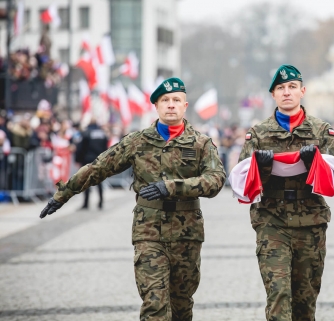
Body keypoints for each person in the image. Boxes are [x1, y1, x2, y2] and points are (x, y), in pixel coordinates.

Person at [39, 77, 226, 321]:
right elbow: (99, 167)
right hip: (149, 231)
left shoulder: (201, 143)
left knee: (181, 305)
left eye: (176, 100)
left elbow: (216, 180)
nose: (171, 105)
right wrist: (63, 194)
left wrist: (171, 187)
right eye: (165, 100)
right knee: (154, 303)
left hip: (187, 233)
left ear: (185, 106)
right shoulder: (138, 142)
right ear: (156, 106)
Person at [237, 65, 334, 320]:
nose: (287, 92)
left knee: (305, 303)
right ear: (273, 94)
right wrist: (260, 166)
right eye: (281, 88)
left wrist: (314, 163)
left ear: (302, 91)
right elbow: (241, 179)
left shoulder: (320, 131)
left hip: (311, 224)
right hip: (272, 222)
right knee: (278, 295)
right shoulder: (258, 133)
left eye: (292, 87)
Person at [75, 119, 109, 210]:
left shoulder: (86, 133)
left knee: (86, 182)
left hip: (87, 160)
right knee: (99, 181)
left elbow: (80, 148)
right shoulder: (102, 133)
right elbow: (106, 148)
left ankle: (86, 203)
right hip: (99, 160)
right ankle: (101, 202)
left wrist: (78, 159)